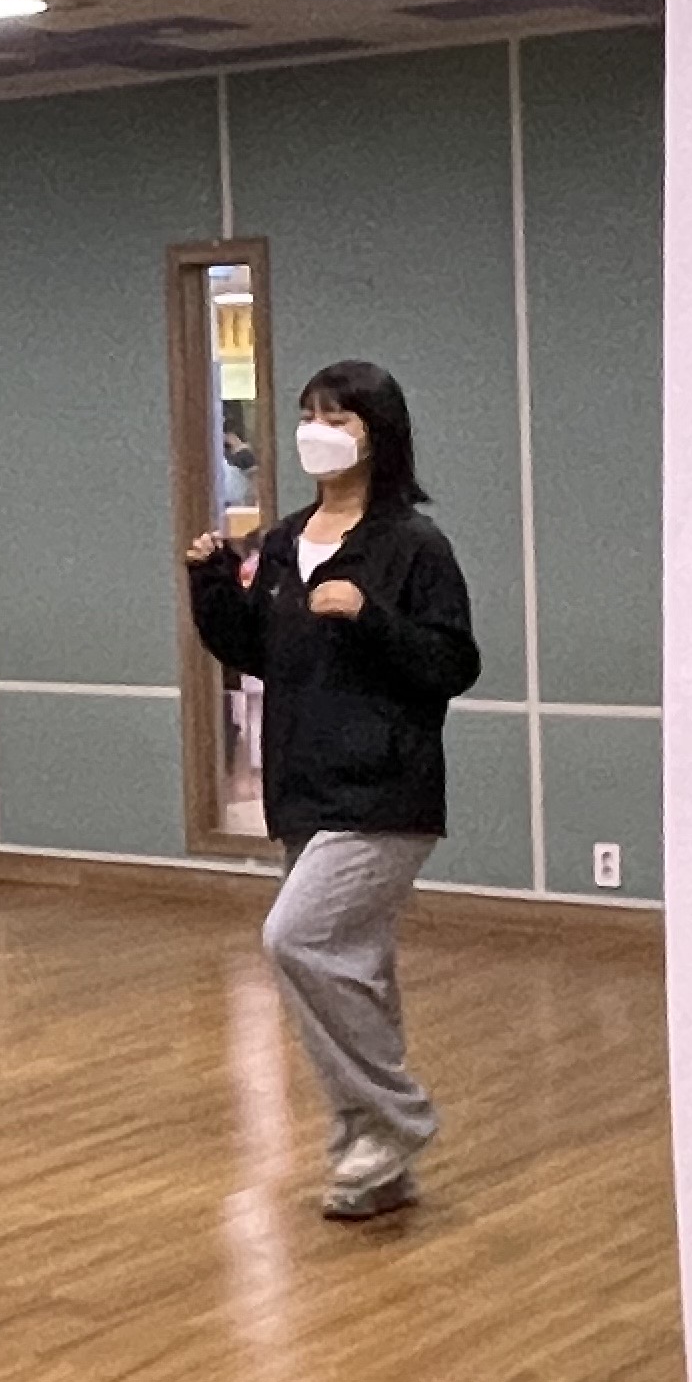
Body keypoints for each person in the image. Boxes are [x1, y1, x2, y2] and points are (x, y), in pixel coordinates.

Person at [184, 362, 483, 1221]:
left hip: (386, 791)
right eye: (309, 414)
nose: (317, 430)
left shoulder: (413, 546)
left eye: (338, 416)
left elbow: (452, 663)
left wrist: (370, 615)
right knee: (358, 971)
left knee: (297, 940)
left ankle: (397, 1118)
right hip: (303, 787)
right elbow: (259, 651)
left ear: (376, 434)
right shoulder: (284, 543)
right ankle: (373, 1162)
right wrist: (212, 584)